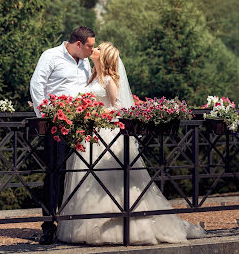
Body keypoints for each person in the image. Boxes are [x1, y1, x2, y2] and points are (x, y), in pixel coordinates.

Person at [57, 42, 206, 245]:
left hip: (107, 134)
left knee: (113, 181)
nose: (94, 50)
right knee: (88, 182)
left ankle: (121, 228)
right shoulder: (93, 77)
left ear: (105, 57)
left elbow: (117, 108)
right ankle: (86, 227)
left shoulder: (109, 80)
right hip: (92, 135)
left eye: (98, 48)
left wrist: (94, 113)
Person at [30, 26, 95, 245]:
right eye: (89, 46)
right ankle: (49, 226)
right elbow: (37, 85)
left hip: (81, 126)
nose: (91, 51)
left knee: (78, 173)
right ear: (78, 44)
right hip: (56, 126)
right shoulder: (51, 56)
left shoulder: (84, 61)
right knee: (55, 173)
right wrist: (45, 118)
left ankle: (72, 224)